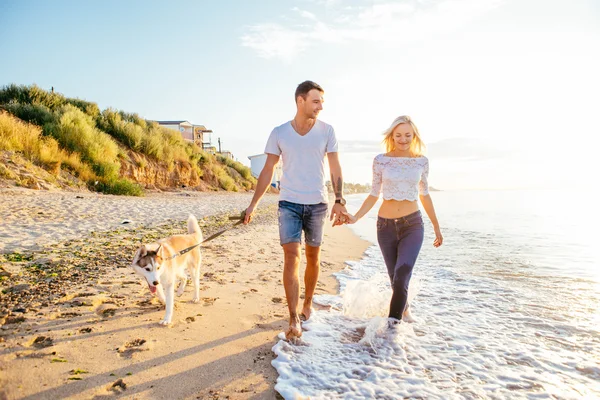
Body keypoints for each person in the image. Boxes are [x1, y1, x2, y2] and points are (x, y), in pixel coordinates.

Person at [243, 80, 348, 340]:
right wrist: (253, 204)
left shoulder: (327, 131)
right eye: (316, 101)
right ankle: (292, 317)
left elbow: (335, 167)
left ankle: (308, 304)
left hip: (317, 203)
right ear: (300, 101)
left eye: (322, 101)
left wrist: (339, 199)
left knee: (313, 257)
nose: (320, 106)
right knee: (292, 257)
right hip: (288, 203)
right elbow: (268, 170)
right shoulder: (279, 132)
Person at [342, 115, 443, 323]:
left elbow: (424, 194)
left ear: (414, 136)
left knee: (402, 274)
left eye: (408, 135)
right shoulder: (381, 160)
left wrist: (436, 227)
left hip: (413, 225)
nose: (403, 139)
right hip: (385, 227)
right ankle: (404, 309)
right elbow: (373, 193)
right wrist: (356, 216)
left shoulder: (421, 162)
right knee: (395, 278)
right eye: (399, 135)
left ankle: (392, 329)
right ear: (392, 136)